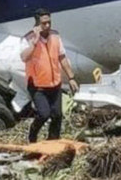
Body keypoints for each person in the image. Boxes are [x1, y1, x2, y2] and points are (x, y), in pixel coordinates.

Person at [20, 8, 79, 143]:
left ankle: (53, 141)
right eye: (44, 23)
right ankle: (33, 135)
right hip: (37, 85)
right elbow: (24, 57)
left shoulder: (55, 36)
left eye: (49, 23)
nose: (47, 26)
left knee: (57, 115)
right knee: (44, 114)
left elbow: (62, 57)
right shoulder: (28, 38)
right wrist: (34, 43)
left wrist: (71, 78)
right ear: (37, 24)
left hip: (54, 84)